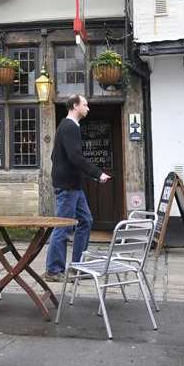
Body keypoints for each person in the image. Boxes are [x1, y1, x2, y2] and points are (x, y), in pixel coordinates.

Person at [44, 94, 112, 282]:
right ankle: (53, 270)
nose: (88, 108)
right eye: (85, 104)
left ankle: (77, 266)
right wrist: (97, 173)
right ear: (75, 106)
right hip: (68, 187)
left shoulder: (67, 127)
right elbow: (75, 157)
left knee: (86, 221)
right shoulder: (69, 127)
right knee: (63, 227)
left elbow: (55, 157)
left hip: (73, 185)